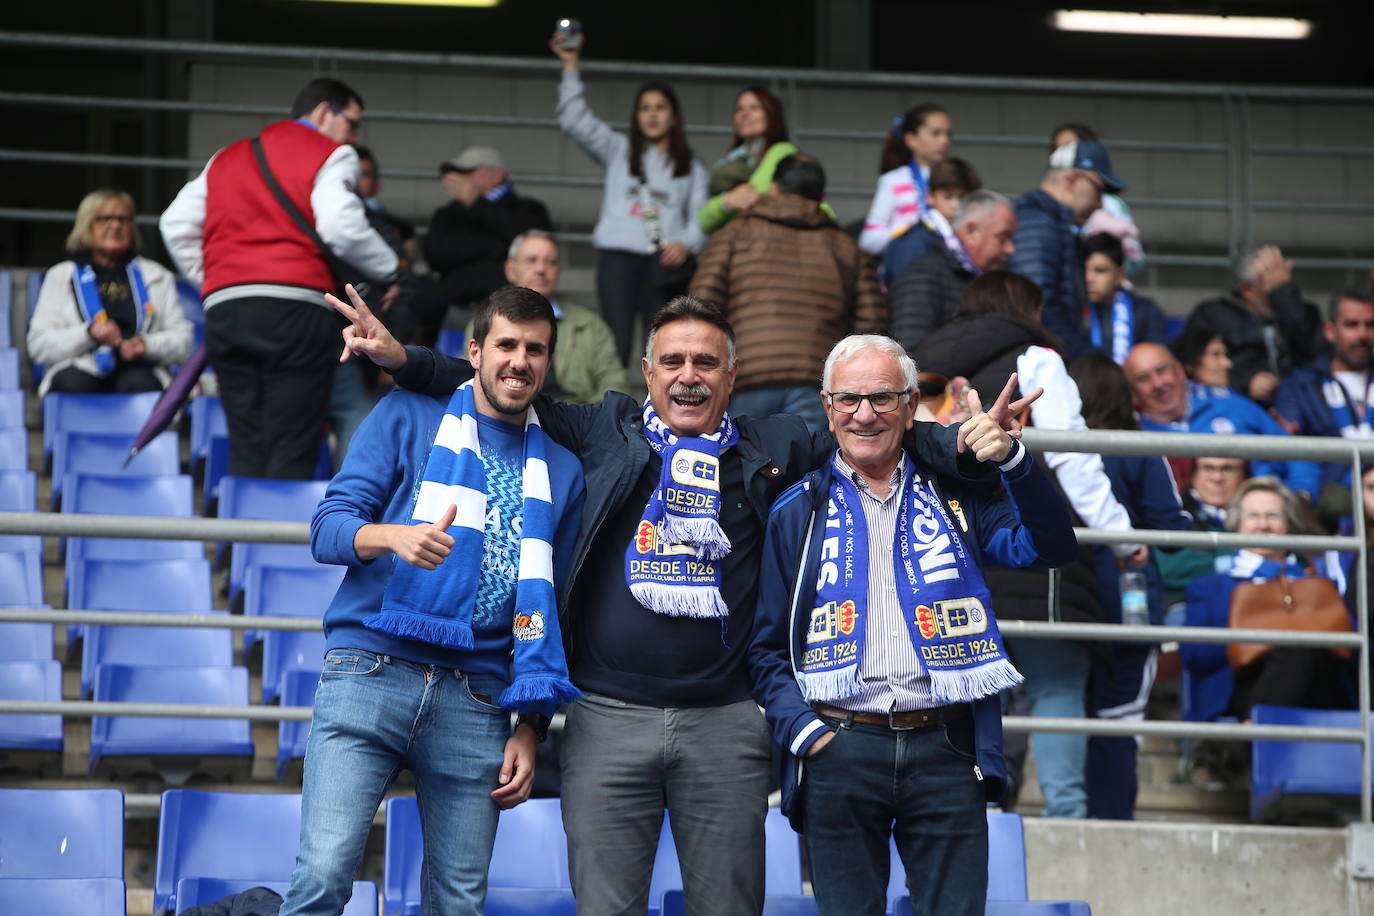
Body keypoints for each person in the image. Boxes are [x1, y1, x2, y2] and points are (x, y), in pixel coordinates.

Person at [333, 291, 1019, 915]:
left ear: (731, 374)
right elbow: (507, 381)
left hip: (725, 725)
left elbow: (879, 430)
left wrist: (968, 443)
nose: (688, 374)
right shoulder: (605, 429)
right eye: (673, 361)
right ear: (647, 371)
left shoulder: (777, 443)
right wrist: (406, 360)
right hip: (606, 719)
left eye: (705, 362)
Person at [280, 286, 585, 916]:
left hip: (476, 700)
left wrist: (531, 726)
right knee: (323, 879)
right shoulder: (406, 415)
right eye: (506, 344)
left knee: (458, 902)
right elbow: (326, 528)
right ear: (475, 351)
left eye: (535, 349)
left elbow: (558, 609)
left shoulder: (564, 468)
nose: (519, 361)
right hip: (370, 673)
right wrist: (392, 536)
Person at [749, 334, 1077, 915]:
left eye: (881, 397)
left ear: (908, 405)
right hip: (837, 744)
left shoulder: (962, 492)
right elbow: (768, 649)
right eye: (848, 399)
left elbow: (1048, 547)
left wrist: (1013, 462)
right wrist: (805, 733)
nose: (865, 414)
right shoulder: (795, 508)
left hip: (946, 744)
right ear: (826, 408)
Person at [916, 271, 1142, 820]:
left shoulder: (924, 362)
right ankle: (1065, 817)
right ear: (1028, 308)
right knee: (1057, 681)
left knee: (971, 677)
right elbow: (1069, 454)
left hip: (948, 543)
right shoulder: (1037, 357)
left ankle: (981, 812)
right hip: (1027, 533)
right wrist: (1118, 535)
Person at [160, 77, 401, 480]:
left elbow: (174, 224)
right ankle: (276, 542)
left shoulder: (227, 156)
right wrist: (390, 268)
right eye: (353, 123)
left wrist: (216, 282)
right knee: (293, 442)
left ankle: (242, 541)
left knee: (247, 440)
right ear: (324, 112)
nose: (355, 137)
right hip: (294, 311)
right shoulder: (333, 153)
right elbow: (340, 225)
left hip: (225, 311)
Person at [1068, 352, 1192, 820]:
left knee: (1059, 710)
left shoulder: (1044, 445)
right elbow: (1172, 528)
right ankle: (1111, 825)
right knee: (1118, 721)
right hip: (1126, 600)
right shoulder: (1136, 444)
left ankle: (1064, 818)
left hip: (1062, 602)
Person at [689, 155, 885, 434]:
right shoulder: (846, 247)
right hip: (816, 380)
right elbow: (870, 327)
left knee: (742, 467)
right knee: (805, 468)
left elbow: (702, 306)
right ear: (823, 198)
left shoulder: (734, 233)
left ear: (775, 189)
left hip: (746, 377)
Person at [551, 32, 709, 365]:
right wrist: (570, 65)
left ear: (674, 116)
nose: (652, 115)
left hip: (663, 267)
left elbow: (702, 215)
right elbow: (574, 120)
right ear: (636, 116)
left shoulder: (690, 166)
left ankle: (662, 414)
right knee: (615, 345)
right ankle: (615, 413)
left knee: (664, 347)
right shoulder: (619, 151)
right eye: (645, 108)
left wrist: (686, 244)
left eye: (660, 108)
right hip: (617, 260)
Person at [1180, 477, 1352, 725]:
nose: (1263, 525)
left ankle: (1248, 737)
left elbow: (1349, 645)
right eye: (1252, 516)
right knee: (1291, 649)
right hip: (1237, 691)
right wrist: (1262, 634)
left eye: (1273, 516)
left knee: (1298, 651)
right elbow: (1194, 655)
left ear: (1289, 524)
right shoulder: (1210, 587)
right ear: (1236, 524)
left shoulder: (1317, 583)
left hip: (1317, 692)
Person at [29, 189, 193, 398]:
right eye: (105, 218)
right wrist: (88, 333)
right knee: (73, 384)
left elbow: (183, 343)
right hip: (80, 370)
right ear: (86, 225)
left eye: (123, 220)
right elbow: (39, 345)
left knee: (142, 385)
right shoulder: (61, 276)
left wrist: (146, 346)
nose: (115, 225)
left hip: (140, 371)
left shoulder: (157, 276)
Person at [1123, 342, 1321, 502]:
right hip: (1193, 535)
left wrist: (1301, 495)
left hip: (1268, 518)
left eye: (1162, 370)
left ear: (1180, 370)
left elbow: (1294, 452)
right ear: (1132, 393)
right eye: (1143, 378)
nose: (1158, 384)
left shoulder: (1229, 402)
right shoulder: (1135, 436)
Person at [464, 231, 629, 404]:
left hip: (575, 421)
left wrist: (586, 420)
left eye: (550, 262)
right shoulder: (488, 320)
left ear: (559, 270)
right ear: (510, 270)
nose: (541, 269)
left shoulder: (590, 325)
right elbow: (470, 381)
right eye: (531, 260)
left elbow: (616, 386)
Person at [419, 146, 552, 346]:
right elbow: (435, 254)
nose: (461, 178)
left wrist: (477, 204)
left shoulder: (528, 209)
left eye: (469, 172)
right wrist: (493, 247)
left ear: (496, 174)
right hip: (453, 307)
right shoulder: (450, 213)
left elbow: (528, 242)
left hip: (509, 311)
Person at [1008, 139, 1127, 359]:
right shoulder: (1038, 223)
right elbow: (1040, 305)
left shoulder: (1051, 222)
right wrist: (1083, 358)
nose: (1100, 204)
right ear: (1072, 179)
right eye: (1099, 190)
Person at [1273, 290, 1374, 525]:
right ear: (1330, 330)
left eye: (1370, 325)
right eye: (1351, 325)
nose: (1362, 334)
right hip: (1328, 506)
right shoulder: (1301, 385)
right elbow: (1290, 446)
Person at [1183, 245, 1326, 406]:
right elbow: (1194, 367)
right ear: (1247, 290)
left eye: (1284, 284)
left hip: (1301, 405)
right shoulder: (1213, 315)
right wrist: (1245, 382)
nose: (1277, 292)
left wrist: (1284, 295)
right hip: (1236, 404)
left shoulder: (1302, 312)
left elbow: (1316, 355)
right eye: (1271, 285)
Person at [887, 189, 1017, 354]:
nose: (1010, 249)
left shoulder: (994, 278)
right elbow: (909, 355)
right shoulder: (924, 275)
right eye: (1003, 237)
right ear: (971, 231)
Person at [697, 87, 827, 235]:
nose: (745, 114)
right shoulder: (728, 162)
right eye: (739, 109)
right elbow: (703, 221)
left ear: (771, 115)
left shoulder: (783, 153)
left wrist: (722, 205)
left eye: (754, 108)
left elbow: (751, 198)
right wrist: (728, 201)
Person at [1049, 122, 1144, 278]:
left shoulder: (1111, 206)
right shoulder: (1045, 206)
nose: (1060, 154)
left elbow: (1135, 262)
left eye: (1068, 147)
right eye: (1055, 148)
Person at [859, 104, 953, 256]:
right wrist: (907, 234)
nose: (945, 141)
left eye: (948, 134)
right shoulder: (893, 181)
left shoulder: (956, 178)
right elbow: (868, 241)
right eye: (936, 134)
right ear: (911, 140)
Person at [880, 157, 982, 289]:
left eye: (962, 197)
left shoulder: (961, 238)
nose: (955, 205)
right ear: (930, 196)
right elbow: (908, 295)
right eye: (947, 196)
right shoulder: (914, 242)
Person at [1081, 233, 1167, 365]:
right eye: (1083, 270)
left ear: (1120, 275)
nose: (1089, 278)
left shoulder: (1146, 312)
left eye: (1100, 270)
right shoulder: (1072, 312)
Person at [1171, 325, 1236, 391]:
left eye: (1226, 355)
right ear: (1190, 364)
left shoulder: (1236, 395)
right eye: (1215, 355)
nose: (1228, 364)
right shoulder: (1180, 399)